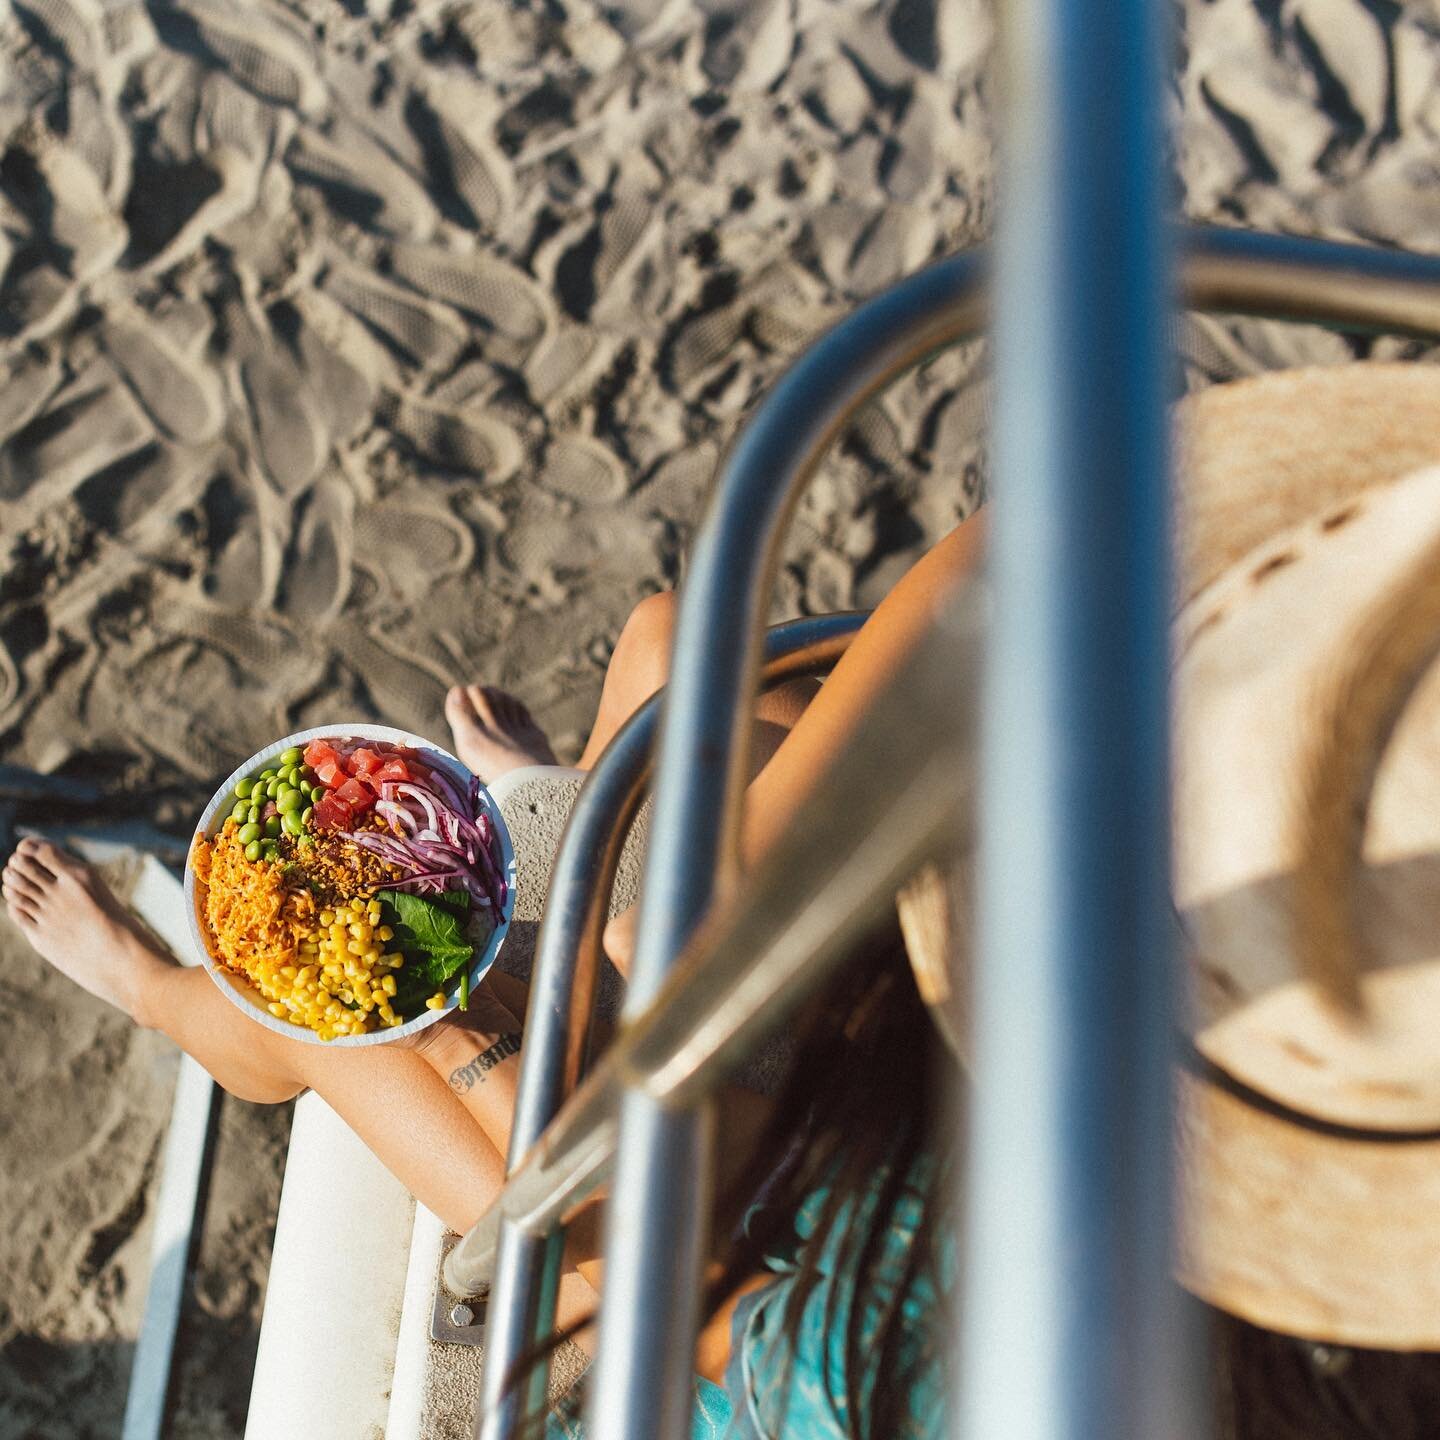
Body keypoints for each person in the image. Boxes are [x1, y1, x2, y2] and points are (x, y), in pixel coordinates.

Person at [0, 515, 984, 1408]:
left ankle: (156, 990)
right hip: (909, 1137)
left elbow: (675, 1271)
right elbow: (1004, 545)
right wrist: (729, 890)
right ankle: (565, 792)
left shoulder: (933, 1388)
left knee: (305, 1007)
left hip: (685, 1297)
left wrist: (461, 1032)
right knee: (669, 638)